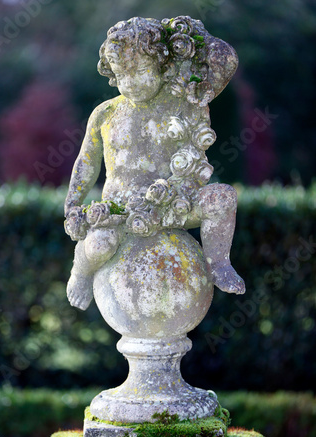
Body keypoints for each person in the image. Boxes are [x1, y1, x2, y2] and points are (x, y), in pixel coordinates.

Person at [64, 16, 245, 311]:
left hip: (173, 202)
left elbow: (226, 59)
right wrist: (73, 204)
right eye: (122, 74)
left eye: (141, 71)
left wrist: (182, 37)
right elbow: (86, 163)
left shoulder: (183, 101)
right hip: (120, 211)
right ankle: (80, 271)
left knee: (221, 197)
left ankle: (218, 264)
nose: (131, 83)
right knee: (99, 245)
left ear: (163, 64)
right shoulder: (105, 113)